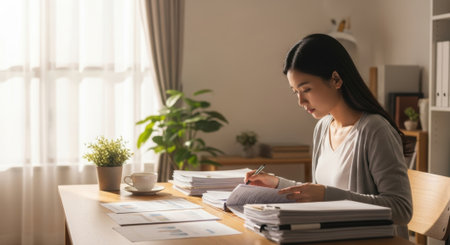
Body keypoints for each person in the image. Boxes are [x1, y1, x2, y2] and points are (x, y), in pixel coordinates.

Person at [244, 33, 412, 238]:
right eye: (295, 91)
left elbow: (401, 209)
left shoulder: (375, 130)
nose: (301, 101)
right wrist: (277, 184)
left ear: (335, 79)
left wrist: (326, 195)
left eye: (306, 89)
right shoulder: (323, 127)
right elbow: (317, 194)